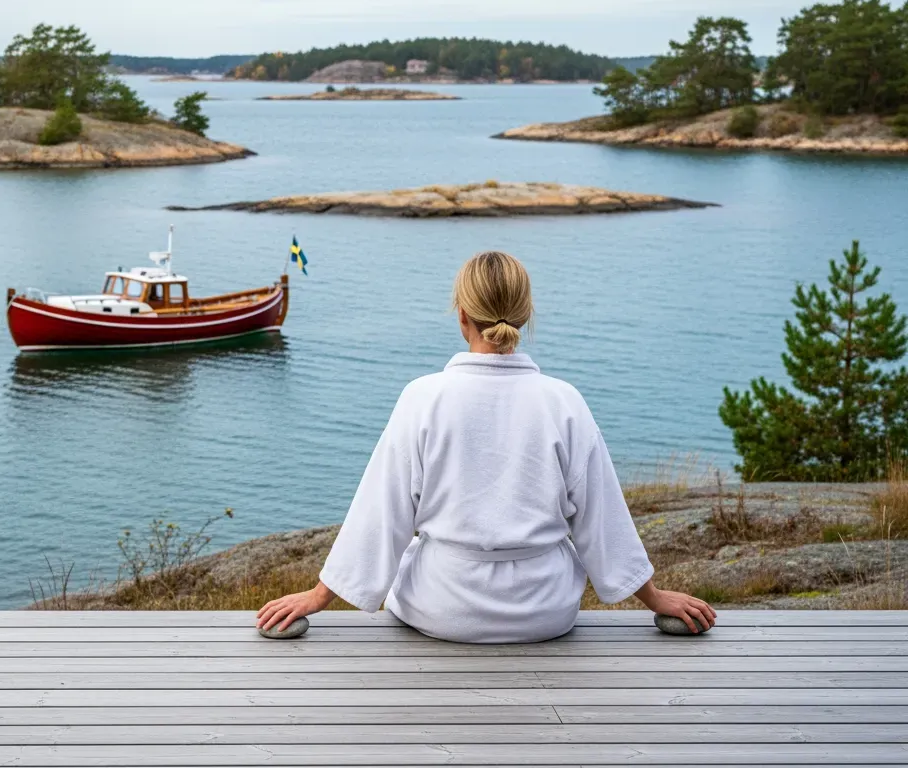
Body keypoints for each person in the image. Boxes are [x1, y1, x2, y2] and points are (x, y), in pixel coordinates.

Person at [257, 251, 716, 643]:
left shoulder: (423, 397)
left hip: (442, 608)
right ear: (526, 313)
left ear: (462, 316)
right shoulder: (564, 401)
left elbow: (383, 512)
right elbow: (602, 517)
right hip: (545, 611)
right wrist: (655, 598)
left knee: (415, 560)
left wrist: (318, 597)